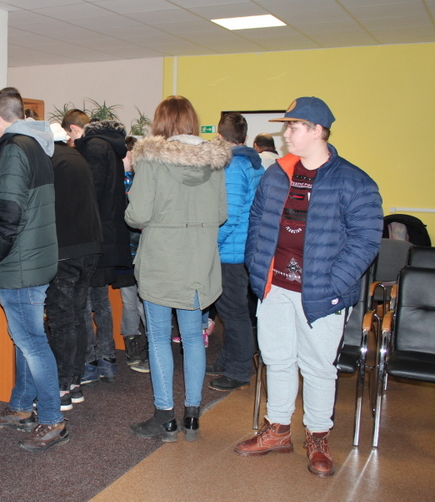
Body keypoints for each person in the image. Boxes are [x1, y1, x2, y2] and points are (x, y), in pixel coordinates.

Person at [235, 97, 382, 478]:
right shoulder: (276, 174)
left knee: (318, 367)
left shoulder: (353, 180)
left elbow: (366, 240)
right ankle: (278, 429)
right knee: (277, 359)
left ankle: (318, 436)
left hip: (321, 292)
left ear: (318, 131)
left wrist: (334, 284)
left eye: (294, 126)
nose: (286, 134)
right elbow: (256, 221)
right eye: (287, 126)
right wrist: (257, 264)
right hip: (275, 287)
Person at [125, 95, 230, 443]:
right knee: (193, 337)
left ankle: (165, 417)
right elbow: (221, 215)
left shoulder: (152, 161)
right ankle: (193, 416)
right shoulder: (214, 164)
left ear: (161, 123)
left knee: (158, 336)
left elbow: (137, 215)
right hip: (199, 262)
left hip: (161, 261)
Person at [0, 87, 67, 452]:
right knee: (25, 337)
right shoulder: (37, 145)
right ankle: (21, 405)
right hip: (35, 257)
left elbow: (9, 212)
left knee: (32, 341)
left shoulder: (14, 149)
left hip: (19, 261)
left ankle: (52, 419)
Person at [63, 109, 131, 384]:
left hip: (92, 235)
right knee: (101, 302)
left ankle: (89, 360)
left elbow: (89, 193)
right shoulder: (112, 146)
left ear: (74, 129)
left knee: (84, 303)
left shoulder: (93, 148)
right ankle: (107, 359)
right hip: (110, 235)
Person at [45, 122, 102, 411]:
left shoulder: (50, 161)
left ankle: (61, 387)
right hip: (89, 246)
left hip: (65, 249)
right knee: (78, 316)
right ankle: (75, 383)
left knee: (61, 320)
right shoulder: (76, 156)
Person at [206, 113, 264, 391]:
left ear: (219, 137)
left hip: (230, 252)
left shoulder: (233, 166)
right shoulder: (253, 163)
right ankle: (227, 360)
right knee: (231, 311)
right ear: (245, 136)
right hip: (244, 249)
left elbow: (228, 216)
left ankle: (239, 371)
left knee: (234, 313)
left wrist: (210, 246)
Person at [117, 135, 149, 373]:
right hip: (125, 251)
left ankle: (154, 343)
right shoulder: (115, 181)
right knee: (130, 302)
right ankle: (133, 346)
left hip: (144, 250)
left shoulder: (145, 181)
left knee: (145, 301)